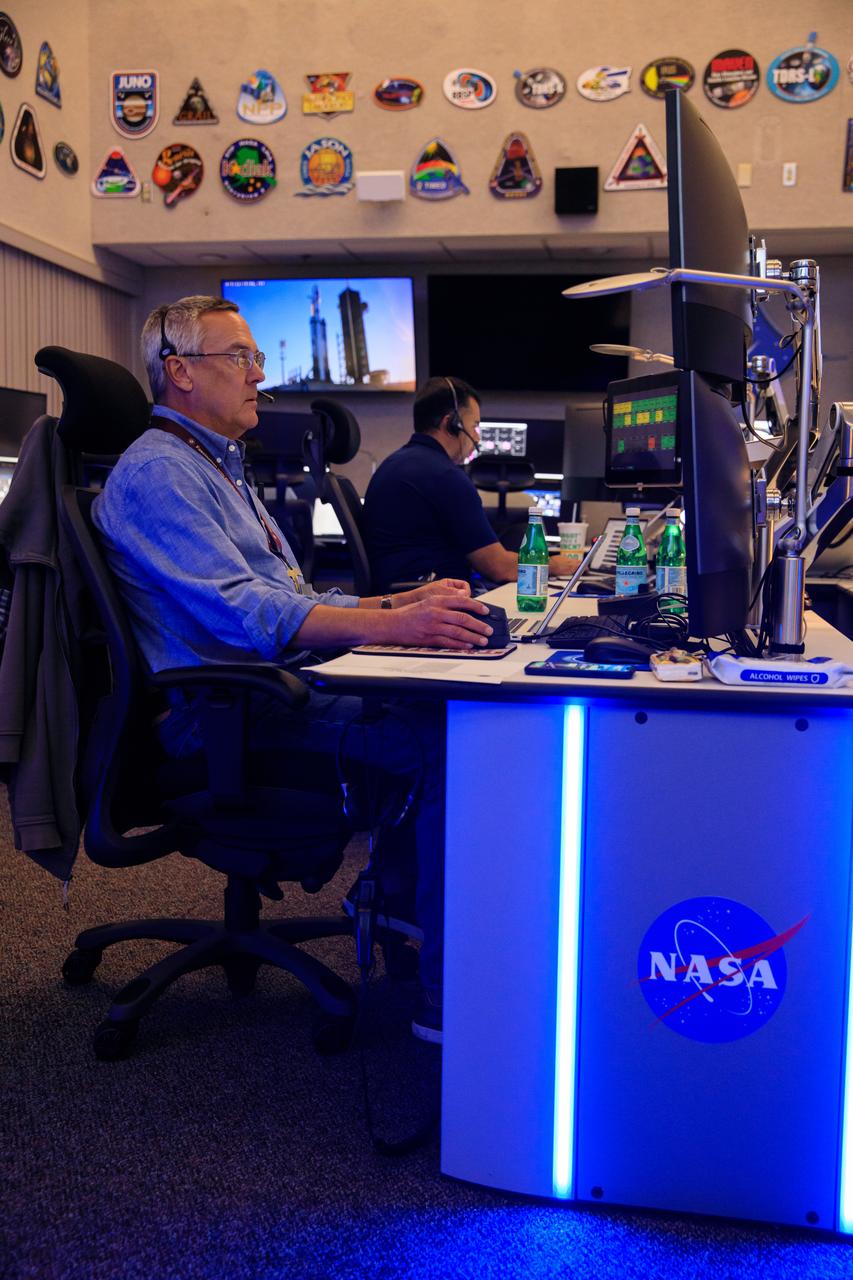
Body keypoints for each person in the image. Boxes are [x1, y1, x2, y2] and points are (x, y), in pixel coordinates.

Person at [93, 295, 493, 1044]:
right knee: (455, 741)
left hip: (271, 692)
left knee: (449, 709)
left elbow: (292, 598)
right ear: (179, 372)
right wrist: (394, 625)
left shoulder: (215, 465)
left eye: (255, 357)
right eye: (238, 356)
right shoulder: (161, 476)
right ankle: (444, 992)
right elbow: (249, 618)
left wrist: (396, 600)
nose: (259, 372)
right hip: (227, 717)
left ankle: (399, 914)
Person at [362, 376, 580, 592]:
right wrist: (553, 565)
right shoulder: (444, 476)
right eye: (474, 426)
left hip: (403, 596)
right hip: (427, 604)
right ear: (451, 424)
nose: (476, 437)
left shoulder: (396, 463)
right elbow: (499, 567)